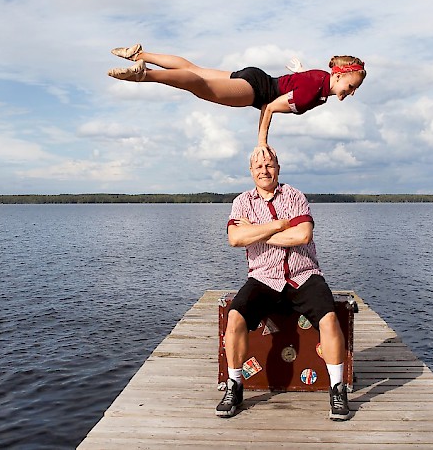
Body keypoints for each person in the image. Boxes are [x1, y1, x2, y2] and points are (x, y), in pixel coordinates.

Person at [216, 147, 350, 421]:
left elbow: (302, 235)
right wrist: (279, 225)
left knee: (329, 318)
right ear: (251, 172)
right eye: (258, 166)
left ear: (278, 167)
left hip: (304, 274)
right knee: (235, 317)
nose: (264, 170)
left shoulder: (294, 196)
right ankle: (235, 385)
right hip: (263, 277)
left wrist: (256, 231)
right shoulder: (242, 202)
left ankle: (337, 389)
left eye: (269, 165)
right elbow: (234, 239)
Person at [107, 44, 366, 157]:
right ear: (339, 74)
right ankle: (146, 74)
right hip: (256, 90)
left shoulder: (320, 80)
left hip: (256, 75)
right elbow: (270, 107)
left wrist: (299, 70)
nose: (351, 92)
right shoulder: (314, 94)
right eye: (351, 86)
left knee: (196, 70)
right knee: (201, 86)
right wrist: (262, 142)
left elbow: (304, 78)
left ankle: (139, 54)